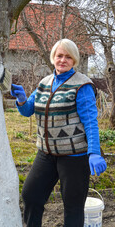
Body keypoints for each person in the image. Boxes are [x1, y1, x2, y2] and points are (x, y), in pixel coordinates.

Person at [11, 39, 107, 227]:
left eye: (68, 57)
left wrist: (94, 152)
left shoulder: (82, 85)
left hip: (74, 156)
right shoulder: (44, 83)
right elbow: (28, 110)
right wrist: (22, 100)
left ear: (75, 60)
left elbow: (90, 122)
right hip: (46, 154)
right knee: (31, 195)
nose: (63, 60)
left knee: (73, 206)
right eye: (59, 55)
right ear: (53, 58)